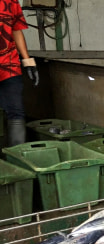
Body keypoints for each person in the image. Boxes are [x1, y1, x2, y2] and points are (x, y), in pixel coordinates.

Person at [0, 0, 39, 147]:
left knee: (16, 111)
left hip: (9, 65)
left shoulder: (10, 1)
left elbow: (16, 30)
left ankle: (16, 161)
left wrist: (28, 61)